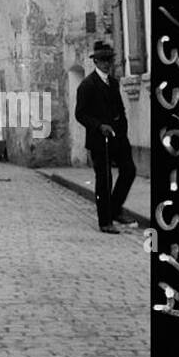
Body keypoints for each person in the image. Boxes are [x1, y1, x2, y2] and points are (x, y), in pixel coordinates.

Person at [74, 40, 137, 234]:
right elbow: (80, 114)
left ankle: (115, 209)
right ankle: (105, 221)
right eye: (102, 60)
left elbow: (120, 109)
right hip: (99, 141)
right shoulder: (87, 85)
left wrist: (122, 129)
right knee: (105, 179)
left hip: (118, 138)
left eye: (109, 60)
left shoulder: (114, 83)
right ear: (96, 62)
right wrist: (99, 126)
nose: (106, 64)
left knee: (129, 171)